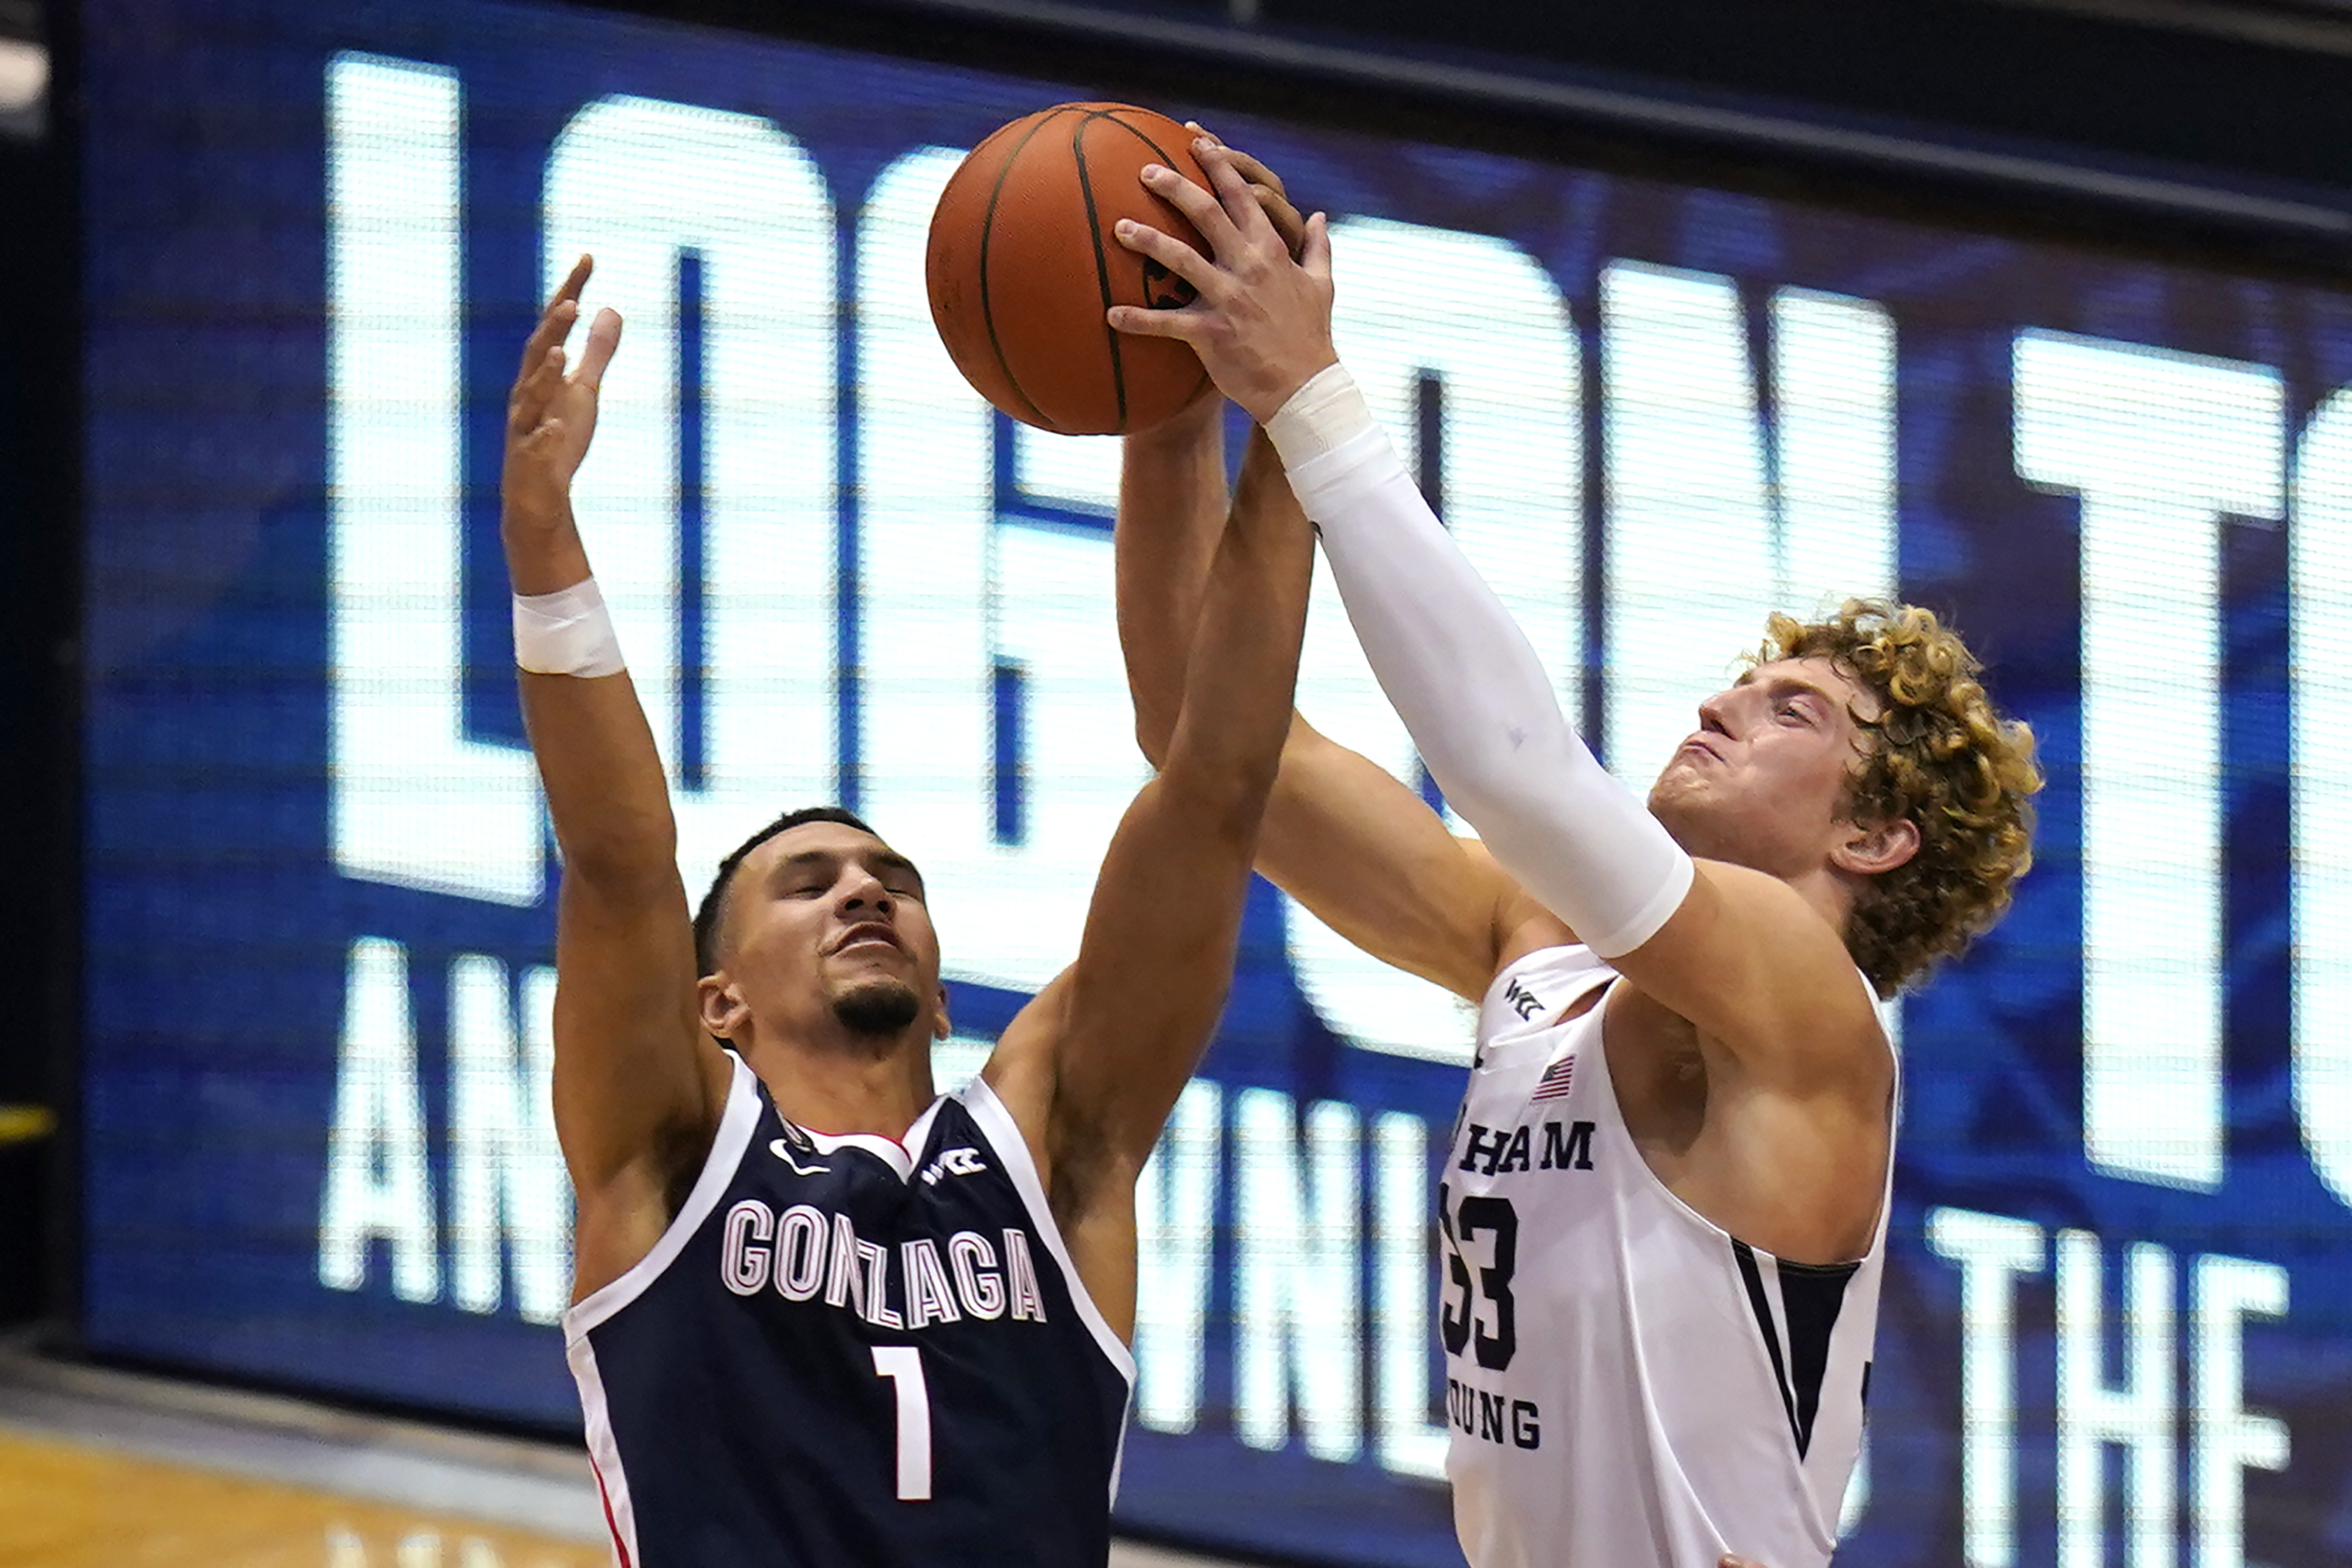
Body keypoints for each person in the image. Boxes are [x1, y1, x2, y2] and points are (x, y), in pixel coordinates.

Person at [1109, 142, 2042, 1568]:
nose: (1721, 703)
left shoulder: (1809, 1012)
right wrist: (1170, 399)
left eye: (1793, 710)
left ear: (1875, 836)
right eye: (1742, 681)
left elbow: (1519, 770)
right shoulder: (1537, 953)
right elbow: (1199, 733)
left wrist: (1314, 407)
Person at [503, 255, 1314, 1566]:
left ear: (941, 992)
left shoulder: (1051, 1152)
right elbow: (619, 862)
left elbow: (1219, 787)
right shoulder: (671, 1152)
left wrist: (1291, 418)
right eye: (808, 885)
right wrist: (543, 537)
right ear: (717, 1006)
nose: (865, 888)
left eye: (892, 882)